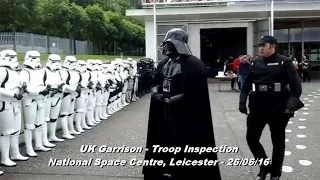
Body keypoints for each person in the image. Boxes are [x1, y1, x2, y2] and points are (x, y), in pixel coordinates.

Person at [143, 28, 221, 180]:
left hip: (185, 115)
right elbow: (154, 83)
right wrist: (156, 94)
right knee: (163, 140)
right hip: (164, 112)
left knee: (182, 142)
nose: (165, 47)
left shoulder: (194, 64)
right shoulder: (164, 63)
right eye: (164, 44)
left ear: (178, 44)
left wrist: (175, 100)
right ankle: (164, 169)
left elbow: (195, 93)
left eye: (169, 44)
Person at [239, 35, 303, 180]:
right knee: (251, 138)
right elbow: (246, 84)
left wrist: (291, 106)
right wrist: (242, 102)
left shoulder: (285, 62)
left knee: (278, 141)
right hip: (258, 106)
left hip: (279, 107)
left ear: (273, 46)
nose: (260, 48)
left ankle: (275, 173)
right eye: (259, 45)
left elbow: (296, 86)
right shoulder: (255, 62)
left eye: (264, 45)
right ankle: (264, 166)